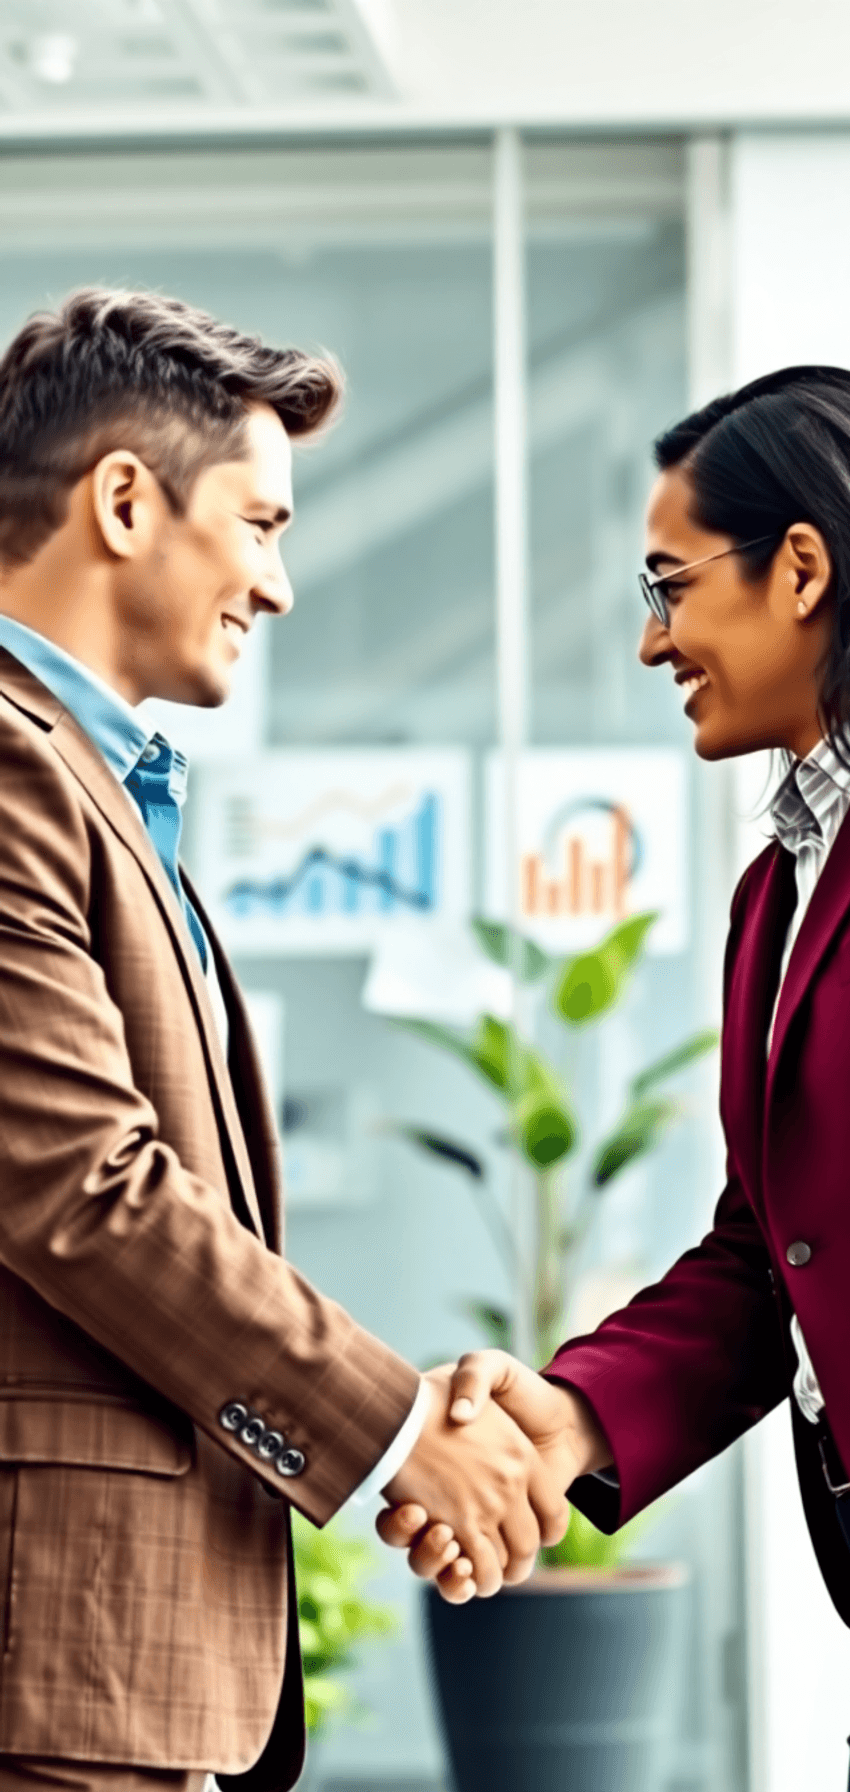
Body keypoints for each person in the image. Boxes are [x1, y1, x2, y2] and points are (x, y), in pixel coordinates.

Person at [383, 365, 850, 1790]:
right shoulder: (778, 890)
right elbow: (769, 1251)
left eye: (671, 586)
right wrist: (573, 1416)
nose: (650, 640)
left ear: (803, 567)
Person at [0, 288, 569, 1792]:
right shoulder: (8, 770)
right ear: (125, 501)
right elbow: (78, 1189)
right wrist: (398, 1433)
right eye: (261, 525)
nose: (281, 585)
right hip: (49, 1657)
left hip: (115, 1658)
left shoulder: (93, 784)